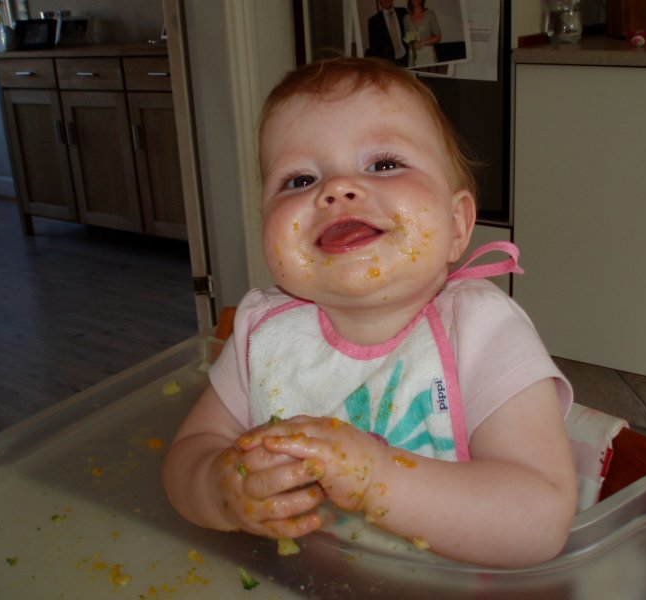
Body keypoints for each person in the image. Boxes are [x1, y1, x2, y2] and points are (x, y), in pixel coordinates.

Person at [162, 57, 577, 568]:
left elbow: (540, 520)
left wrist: (376, 478)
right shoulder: (265, 334)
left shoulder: (484, 332)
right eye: (299, 179)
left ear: (456, 224)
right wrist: (222, 491)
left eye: (383, 164)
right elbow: (188, 455)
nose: (337, 189)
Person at [365, 0, 409, 67]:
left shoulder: (403, 12)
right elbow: (373, 46)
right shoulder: (374, 21)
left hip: (406, 58)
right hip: (388, 61)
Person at [403, 0, 441, 67]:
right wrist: (410, 45)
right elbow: (406, 38)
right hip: (413, 55)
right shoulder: (406, 17)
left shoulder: (430, 14)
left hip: (427, 53)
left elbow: (438, 37)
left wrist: (424, 42)